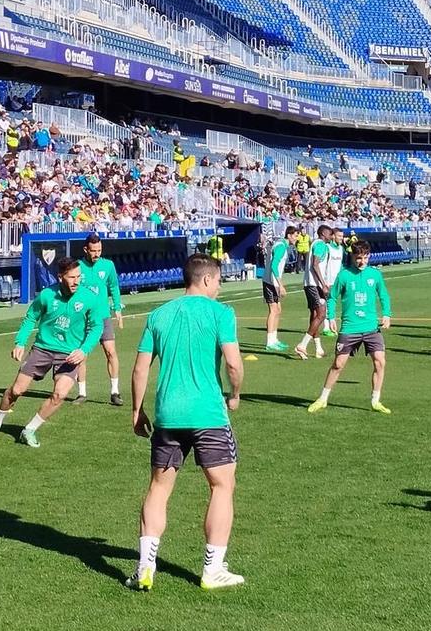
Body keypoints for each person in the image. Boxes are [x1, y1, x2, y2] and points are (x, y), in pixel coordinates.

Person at [130, 253, 245, 590]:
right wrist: (235, 393)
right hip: (208, 413)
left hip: (168, 415)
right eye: (219, 281)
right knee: (221, 486)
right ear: (207, 279)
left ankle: (145, 567)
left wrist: (137, 410)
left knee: (159, 489)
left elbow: (139, 369)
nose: (220, 287)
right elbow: (234, 364)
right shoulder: (221, 313)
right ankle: (213, 569)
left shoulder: (158, 314)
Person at [0, 257, 102, 447]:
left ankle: (30, 429)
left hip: (69, 354)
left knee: (60, 394)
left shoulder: (89, 298)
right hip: (42, 349)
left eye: (79, 277)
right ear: (60, 277)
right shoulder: (46, 295)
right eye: (72, 277)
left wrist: (84, 350)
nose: (76, 281)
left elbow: (96, 327)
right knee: (16, 390)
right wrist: (20, 342)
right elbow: (30, 318)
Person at [307, 237, 392, 413]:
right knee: (338, 364)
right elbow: (331, 297)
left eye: (365, 257)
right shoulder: (344, 275)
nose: (362, 261)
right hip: (350, 327)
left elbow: (383, 295)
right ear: (353, 256)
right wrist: (331, 317)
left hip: (371, 328)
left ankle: (375, 401)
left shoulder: (375, 275)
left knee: (380, 362)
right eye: (359, 257)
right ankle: (323, 399)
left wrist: (386, 314)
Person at [74, 232, 125, 406]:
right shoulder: (78, 267)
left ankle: (115, 391)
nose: (97, 254)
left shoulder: (108, 265)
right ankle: (81, 393)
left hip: (103, 316)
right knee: (81, 355)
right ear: (86, 249)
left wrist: (117, 308)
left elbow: (114, 287)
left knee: (111, 352)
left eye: (99, 250)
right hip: (83, 318)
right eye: (94, 250)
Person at [294, 223, 342, 359]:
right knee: (321, 314)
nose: (331, 236)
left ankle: (318, 348)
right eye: (329, 233)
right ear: (323, 234)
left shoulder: (315, 243)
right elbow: (315, 265)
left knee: (315, 314)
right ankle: (302, 345)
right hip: (314, 285)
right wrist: (323, 284)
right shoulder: (320, 244)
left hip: (309, 284)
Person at [261, 224, 298, 352]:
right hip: (270, 282)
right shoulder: (281, 246)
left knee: (278, 310)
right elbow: (274, 266)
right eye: (295, 236)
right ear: (289, 235)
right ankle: (269, 342)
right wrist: (280, 285)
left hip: (272, 281)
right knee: (274, 310)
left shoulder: (282, 245)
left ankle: (274, 339)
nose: (297, 238)